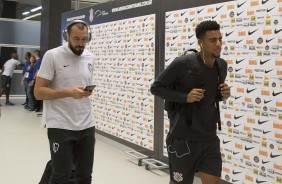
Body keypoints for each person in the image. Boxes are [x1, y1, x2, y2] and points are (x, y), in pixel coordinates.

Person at [150, 20, 231, 184]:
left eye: (220, 39)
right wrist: (185, 97)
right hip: (183, 140)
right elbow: (156, 88)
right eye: (213, 40)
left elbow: (212, 97)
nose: (218, 44)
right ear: (200, 43)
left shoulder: (221, 65)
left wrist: (224, 95)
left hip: (209, 139)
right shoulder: (182, 63)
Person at [34, 20, 95, 184]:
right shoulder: (52, 55)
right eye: (76, 39)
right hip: (60, 125)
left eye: (84, 39)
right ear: (66, 36)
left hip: (87, 124)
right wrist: (69, 93)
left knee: (84, 175)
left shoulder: (90, 56)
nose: (81, 43)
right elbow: (38, 92)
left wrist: (85, 92)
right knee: (61, 175)